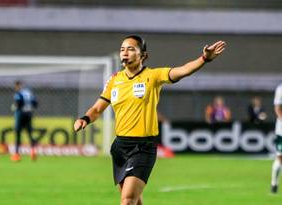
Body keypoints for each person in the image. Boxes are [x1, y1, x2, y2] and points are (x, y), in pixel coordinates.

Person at [74, 35, 226, 205]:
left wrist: (204, 58)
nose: (125, 52)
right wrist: (85, 119)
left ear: (143, 55)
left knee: (127, 200)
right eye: (122, 49)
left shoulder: (153, 76)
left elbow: (182, 70)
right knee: (135, 200)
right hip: (120, 148)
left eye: (131, 49)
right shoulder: (114, 80)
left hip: (142, 148)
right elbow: (97, 109)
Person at [11, 81, 38, 162]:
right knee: (30, 133)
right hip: (29, 114)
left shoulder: (18, 94)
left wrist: (15, 106)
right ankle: (33, 152)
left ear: (18, 86)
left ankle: (16, 155)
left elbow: (19, 103)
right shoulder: (29, 93)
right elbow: (35, 103)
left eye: (16, 86)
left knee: (18, 134)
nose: (16, 88)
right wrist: (29, 108)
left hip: (20, 114)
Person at [271, 83, 282, 193]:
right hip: (281, 130)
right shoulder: (280, 89)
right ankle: (274, 184)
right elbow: (278, 108)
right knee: (280, 158)